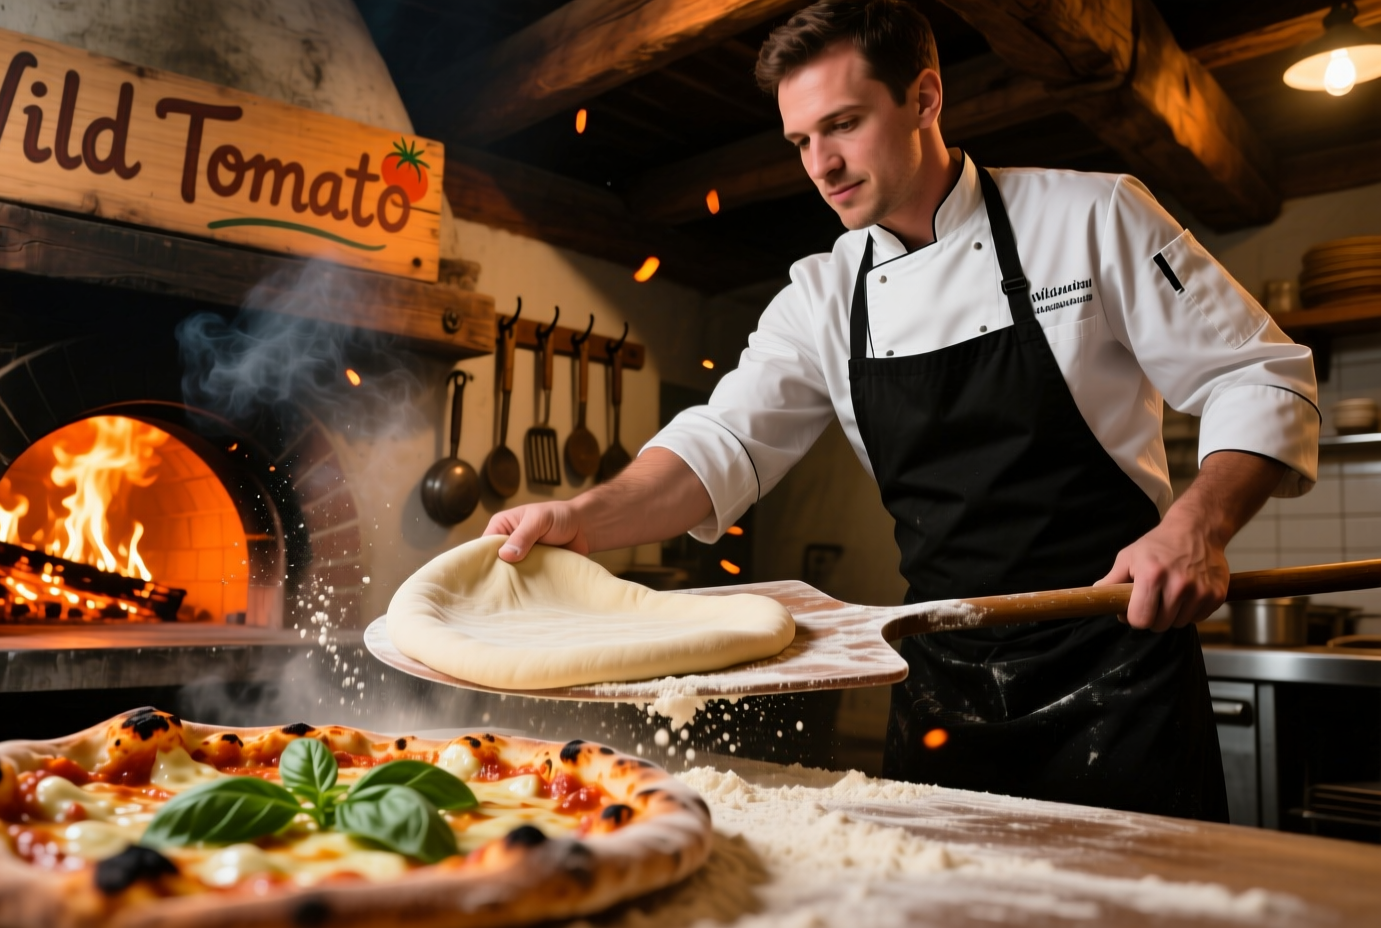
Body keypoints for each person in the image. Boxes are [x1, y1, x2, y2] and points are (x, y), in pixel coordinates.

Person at [484, 0, 1318, 821]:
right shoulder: (821, 293)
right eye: (801, 141)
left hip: (1118, 661)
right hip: (940, 676)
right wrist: (581, 518)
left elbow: (1261, 375)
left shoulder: (1092, 217)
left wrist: (1195, 527)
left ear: (924, 98)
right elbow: (722, 443)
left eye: (842, 124)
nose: (821, 164)